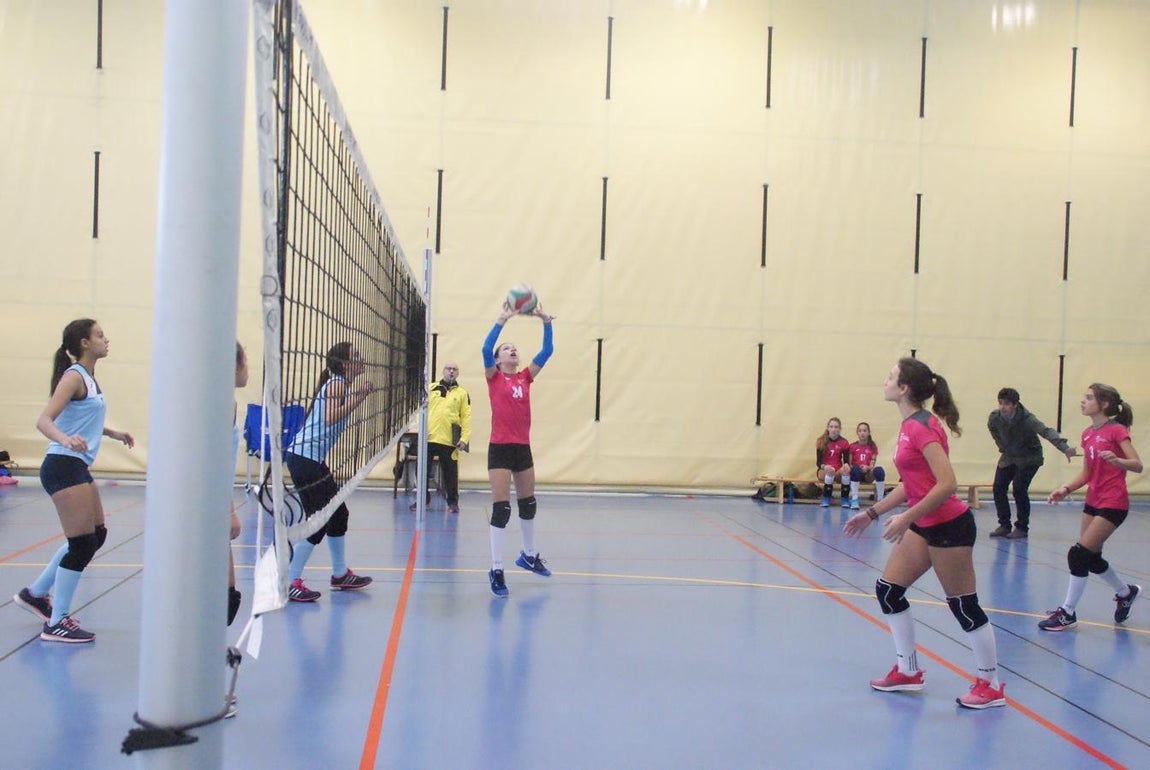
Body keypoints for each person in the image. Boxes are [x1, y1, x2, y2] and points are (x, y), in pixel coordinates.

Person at [844, 357, 1005, 709]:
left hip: (949, 525)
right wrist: (871, 513)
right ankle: (908, 671)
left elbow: (947, 484)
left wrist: (904, 519)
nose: (884, 381)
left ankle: (990, 683)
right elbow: (913, 485)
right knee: (889, 591)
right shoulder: (909, 425)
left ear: (904, 389)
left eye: (891, 377)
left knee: (964, 606)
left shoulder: (922, 426)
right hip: (926, 522)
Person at [14, 319, 134, 643]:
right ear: (83, 342)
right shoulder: (73, 376)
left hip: (76, 465)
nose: (105, 339)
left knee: (96, 535)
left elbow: (83, 417)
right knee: (81, 543)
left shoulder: (90, 379)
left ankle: (36, 594)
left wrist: (113, 433)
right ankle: (55, 622)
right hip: (62, 465)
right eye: (99, 335)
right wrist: (66, 440)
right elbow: (45, 420)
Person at [1039, 383, 1142, 631]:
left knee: (1078, 554)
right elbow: (1086, 472)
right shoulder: (1088, 434)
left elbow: (1137, 465)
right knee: (1092, 559)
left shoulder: (1117, 431)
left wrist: (1117, 460)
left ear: (1103, 404)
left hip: (1113, 503)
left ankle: (1068, 612)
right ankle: (1125, 592)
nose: (1083, 401)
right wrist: (1065, 489)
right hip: (1093, 501)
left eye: (1089, 398)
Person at [282, 342, 375, 602]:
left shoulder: (338, 383)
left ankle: (340, 574)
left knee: (338, 515)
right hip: (304, 458)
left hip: (310, 459)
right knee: (318, 521)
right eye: (356, 355)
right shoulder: (338, 384)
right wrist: (360, 397)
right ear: (345, 363)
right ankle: (290, 580)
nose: (361, 358)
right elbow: (329, 418)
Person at [481, 302, 554, 598]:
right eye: (506, 349)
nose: (512, 351)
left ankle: (528, 555)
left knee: (529, 504)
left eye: (514, 349)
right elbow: (485, 349)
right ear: (498, 360)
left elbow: (546, 353)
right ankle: (496, 569)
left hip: (522, 448)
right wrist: (502, 319)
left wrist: (546, 322)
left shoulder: (525, 377)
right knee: (502, 510)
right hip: (499, 448)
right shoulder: (494, 377)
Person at [986, 387, 1077, 539]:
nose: (1003, 407)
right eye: (1000, 403)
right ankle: (1004, 524)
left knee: (1019, 489)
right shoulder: (995, 417)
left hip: (1029, 457)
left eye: (1007, 404)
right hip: (1009, 456)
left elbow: (1047, 432)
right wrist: (1002, 446)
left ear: (1015, 405)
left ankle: (1022, 527)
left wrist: (1065, 448)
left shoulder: (1027, 419)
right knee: (998, 487)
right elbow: (993, 430)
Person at [410, 362, 471, 514]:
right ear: (443, 371)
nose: (451, 371)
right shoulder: (431, 388)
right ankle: (423, 500)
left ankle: (453, 503)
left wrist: (464, 438)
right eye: (448, 369)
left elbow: (466, 417)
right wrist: (419, 429)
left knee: (450, 473)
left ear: (458, 373)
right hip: (429, 437)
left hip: (449, 439)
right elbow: (420, 410)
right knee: (422, 470)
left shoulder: (462, 393)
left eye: (454, 369)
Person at [227, 342, 248, 625]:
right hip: (208, 501)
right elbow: (212, 457)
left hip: (210, 498)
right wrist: (228, 509)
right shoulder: (219, 402)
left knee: (228, 597)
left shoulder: (226, 401)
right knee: (225, 597)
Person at [847, 421, 887, 510]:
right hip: (855, 473)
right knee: (855, 469)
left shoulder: (872, 446)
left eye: (865, 431)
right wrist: (857, 468)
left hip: (867, 474)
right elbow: (849, 464)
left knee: (879, 470)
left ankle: (880, 500)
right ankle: (854, 499)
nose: (862, 433)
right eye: (860, 431)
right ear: (857, 433)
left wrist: (868, 467)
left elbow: (872, 463)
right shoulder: (852, 446)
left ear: (868, 432)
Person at [816, 417, 851, 507]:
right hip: (824, 470)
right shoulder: (821, 441)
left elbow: (846, 461)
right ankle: (827, 497)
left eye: (836, 427)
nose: (833, 429)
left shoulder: (844, 442)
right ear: (828, 428)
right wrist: (825, 467)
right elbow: (818, 462)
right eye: (831, 427)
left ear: (840, 429)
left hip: (837, 471)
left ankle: (844, 498)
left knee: (846, 469)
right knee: (830, 470)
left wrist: (846, 466)